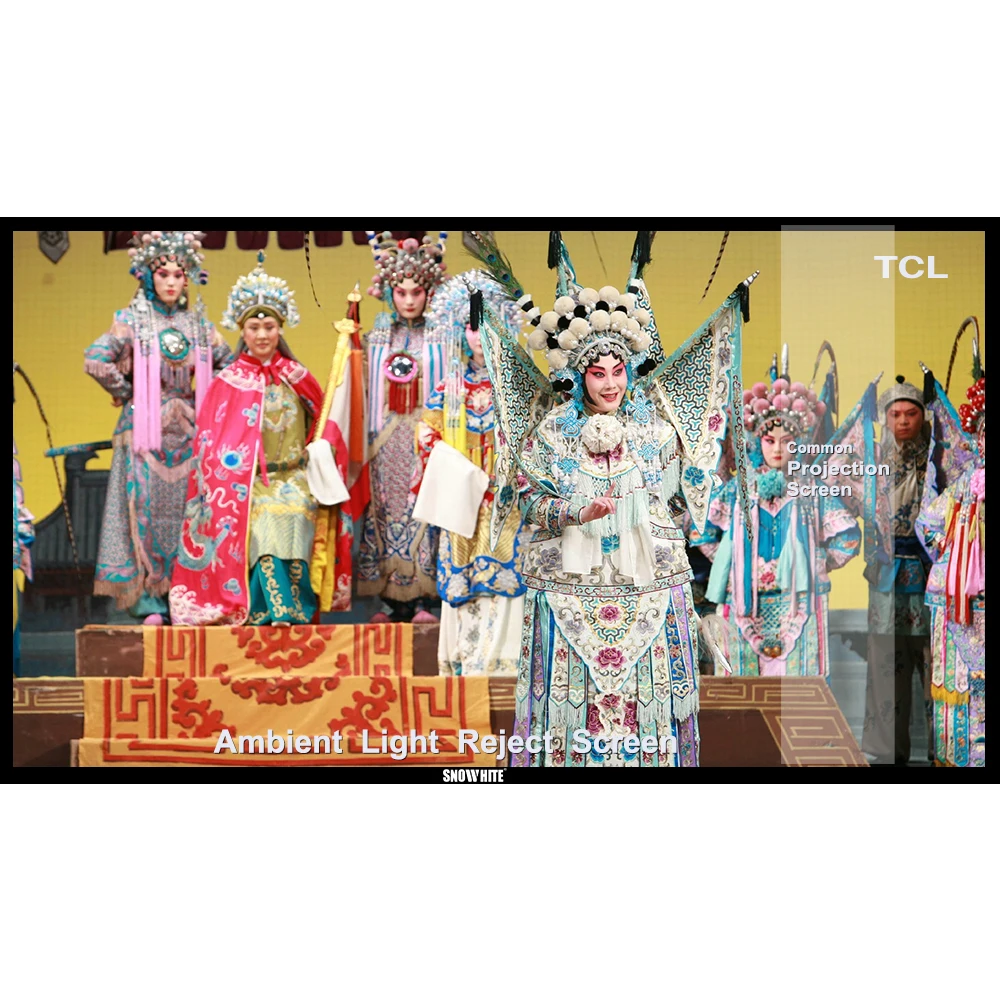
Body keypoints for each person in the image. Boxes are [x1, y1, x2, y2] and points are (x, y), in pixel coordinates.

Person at [469, 230, 753, 767]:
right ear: (579, 377)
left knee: (650, 704)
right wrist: (575, 511)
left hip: (649, 585)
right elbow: (530, 499)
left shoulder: (657, 432)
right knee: (570, 709)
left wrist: (660, 511)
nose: (610, 384)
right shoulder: (552, 432)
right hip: (570, 589)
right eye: (597, 374)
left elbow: (676, 501)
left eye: (618, 371)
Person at [84, 231, 232, 623]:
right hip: (144, 432)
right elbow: (96, 358)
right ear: (148, 276)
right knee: (143, 512)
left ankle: (185, 594)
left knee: (190, 514)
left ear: (188, 278)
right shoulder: (130, 321)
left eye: (178, 274)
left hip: (189, 434)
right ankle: (148, 602)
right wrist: (131, 393)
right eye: (162, 273)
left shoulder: (200, 325)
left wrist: (207, 398)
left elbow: (230, 366)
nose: (170, 282)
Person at [169, 255, 325, 626]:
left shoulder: (298, 376)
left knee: (297, 519)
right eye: (253, 327)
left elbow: (323, 425)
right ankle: (271, 609)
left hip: (296, 478)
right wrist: (233, 477)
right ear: (242, 331)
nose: (262, 335)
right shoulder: (227, 382)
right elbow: (210, 445)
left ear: (281, 328)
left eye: (269, 326)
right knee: (266, 523)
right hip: (248, 485)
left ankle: (299, 610)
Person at [702, 362, 861, 676]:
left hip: (799, 595)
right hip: (745, 594)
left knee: (800, 684)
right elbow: (703, 532)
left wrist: (817, 561)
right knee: (744, 686)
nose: (778, 449)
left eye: (787, 441)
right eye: (769, 440)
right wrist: (732, 559)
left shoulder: (811, 488)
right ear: (757, 442)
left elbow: (848, 537)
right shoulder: (737, 490)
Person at [412, 272, 527, 675]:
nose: (480, 336)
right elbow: (426, 434)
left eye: (488, 325)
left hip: (507, 498)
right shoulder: (450, 387)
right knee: (464, 575)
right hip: (463, 498)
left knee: (506, 571)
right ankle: (463, 660)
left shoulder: (519, 386)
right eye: (473, 327)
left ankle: (504, 663)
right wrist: (461, 472)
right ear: (462, 333)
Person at [358, 231, 448, 622]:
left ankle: (425, 597)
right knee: (386, 511)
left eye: (416, 292)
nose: (409, 300)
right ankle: (389, 598)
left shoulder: (443, 337)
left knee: (424, 510)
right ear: (389, 293)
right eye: (401, 293)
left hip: (425, 440)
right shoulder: (377, 338)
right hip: (385, 441)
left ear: (429, 292)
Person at [861, 376, 933, 765]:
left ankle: (944, 752)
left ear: (923, 417)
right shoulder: (872, 462)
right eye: (895, 414)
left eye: (910, 413)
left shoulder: (938, 460)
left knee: (934, 665)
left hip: (930, 579)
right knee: (888, 668)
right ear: (885, 418)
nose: (903, 421)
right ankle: (889, 755)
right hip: (886, 579)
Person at [916, 368, 985, 767]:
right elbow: (927, 525)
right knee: (964, 689)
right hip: (960, 603)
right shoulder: (962, 487)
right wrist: (952, 556)